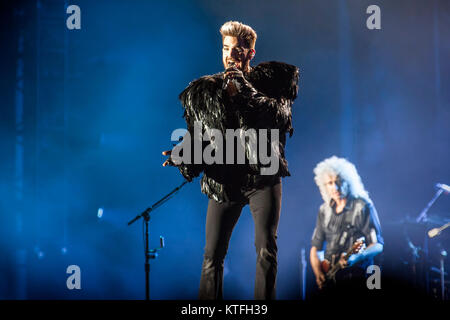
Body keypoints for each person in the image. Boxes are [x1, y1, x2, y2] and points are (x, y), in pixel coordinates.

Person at [162, 21, 299, 300]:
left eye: (237, 50)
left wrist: (244, 93)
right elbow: (201, 137)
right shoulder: (205, 92)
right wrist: (184, 155)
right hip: (225, 181)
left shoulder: (273, 84)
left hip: (263, 177)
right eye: (226, 49)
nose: (230, 55)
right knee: (212, 254)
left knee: (266, 247)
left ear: (250, 53)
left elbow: (277, 118)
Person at [309, 156, 383, 295]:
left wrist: (357, 257)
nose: (335, 187)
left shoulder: (362, 206)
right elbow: (315, 248)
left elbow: (378, 245)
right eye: (330, 183)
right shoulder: (324, 210)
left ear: (348, 181)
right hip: (332, 278)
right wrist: (318, 273)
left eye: (338, 181)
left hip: (359, 275)